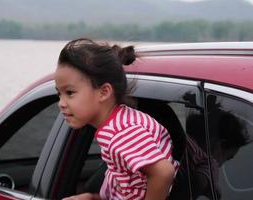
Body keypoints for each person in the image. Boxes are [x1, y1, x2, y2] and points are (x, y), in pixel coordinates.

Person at [55, 38, 179, 200]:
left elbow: (164, 173)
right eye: (59, 94)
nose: (61, 104)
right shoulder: (122, 121)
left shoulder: (121, 132)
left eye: (70, 93)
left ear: (104, 92)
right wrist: (93, 198)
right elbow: (131, 186)